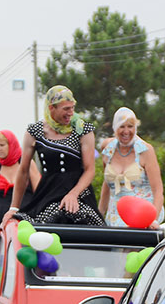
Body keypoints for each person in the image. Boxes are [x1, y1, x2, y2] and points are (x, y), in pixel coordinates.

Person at [7, 85, 104, 226]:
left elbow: (90, 170)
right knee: (41, 225)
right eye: (66, 109)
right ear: (52, 108)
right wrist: (13, 208)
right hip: (48, 192)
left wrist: (73, 194)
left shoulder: (83, 129)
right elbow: (23, 171)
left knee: (86, 222)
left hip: (78, 192)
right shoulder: (35, 131)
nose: (71, 113)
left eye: (72, 107)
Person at [98, 107, 164, 227]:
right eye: (122, 126)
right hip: (114, 217)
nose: (126, 131)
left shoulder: (145, 150)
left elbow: (158, 190)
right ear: (115, 128)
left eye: (130, 126)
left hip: (141, 216)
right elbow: (107, 184)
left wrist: (152, 220)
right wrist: (99, 214)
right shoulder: (108, 148)